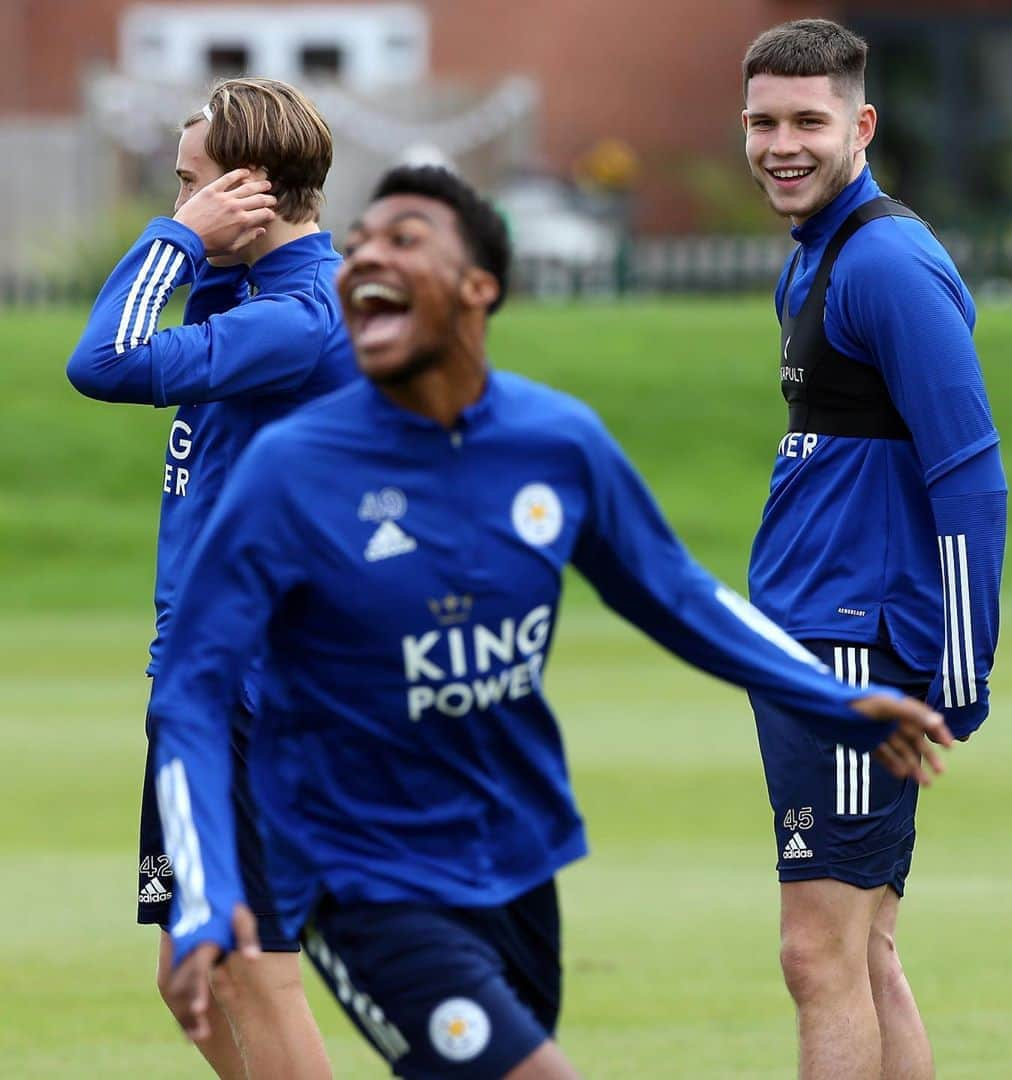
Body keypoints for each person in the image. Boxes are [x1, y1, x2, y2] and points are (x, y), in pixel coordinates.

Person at [149, 165, 952, 1080]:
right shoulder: (289, 471)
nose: (367, 254)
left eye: (404, 239)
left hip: (514, 861)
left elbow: (678, 597)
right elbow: (188, 695)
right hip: (357, 872)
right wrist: (207, 894)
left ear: (477, 289)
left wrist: (834, 699)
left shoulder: (554, 444)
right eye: (361, 240)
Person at [66, 77, 357, 1079]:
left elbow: (103, 360)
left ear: (249, 190)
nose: (178, 201)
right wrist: (207, 246)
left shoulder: (299, 320)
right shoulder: (259, 297)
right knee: (190, 985)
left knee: (246, 972)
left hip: (258, 690)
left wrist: (175, 238)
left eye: (193, 185)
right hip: (202, 680)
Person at [739, 19, 1007, 1080]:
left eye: (809, 121)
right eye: (763, 121)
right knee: (864, 951)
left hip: (855, 652)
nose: (781, 144)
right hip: (809, 642)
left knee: (819, 955)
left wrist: (963, 662)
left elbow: (968, 472)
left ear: (862, 123)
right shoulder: (813, 262)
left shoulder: (888, 262)